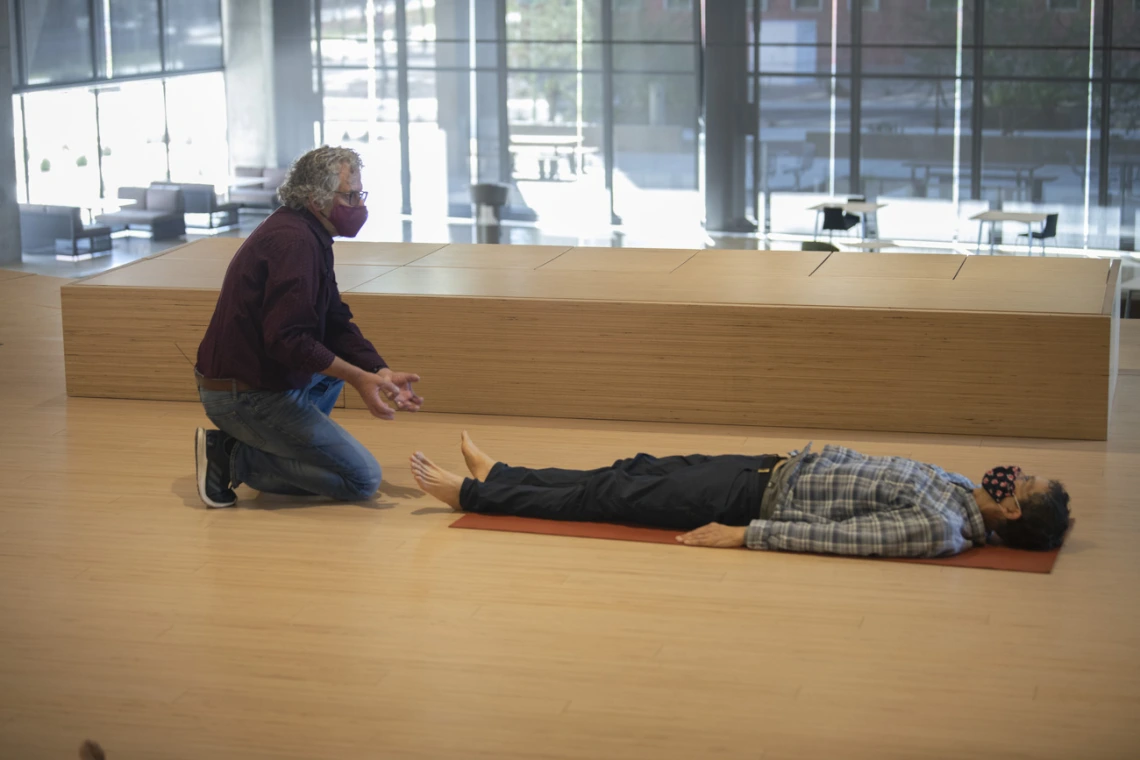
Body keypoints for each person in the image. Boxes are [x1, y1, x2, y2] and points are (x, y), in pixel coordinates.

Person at [194, 146, 423, 508]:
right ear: (317, 199)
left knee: (336, 368)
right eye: (350, 196)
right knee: (361, 479)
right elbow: (288, 341)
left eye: (359, 195)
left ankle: (276, 444)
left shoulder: (307, 232)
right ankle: (233, 455)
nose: (358, 205)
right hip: (244, 394)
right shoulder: (294, 241)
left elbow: (334, 319)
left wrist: (378, 370)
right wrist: (357, 378)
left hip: (260, 381)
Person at [409, 433, 1071, 557]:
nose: (1013, 474)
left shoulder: (942, 528)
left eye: (1024, 485)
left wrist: (745, 536)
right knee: (626, 470)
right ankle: (502, 474)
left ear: (1010, 512)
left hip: (749, 503)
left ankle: (471, 494)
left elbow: (839, 539)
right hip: (766, 467)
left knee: (608, 497)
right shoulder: (957, 491)